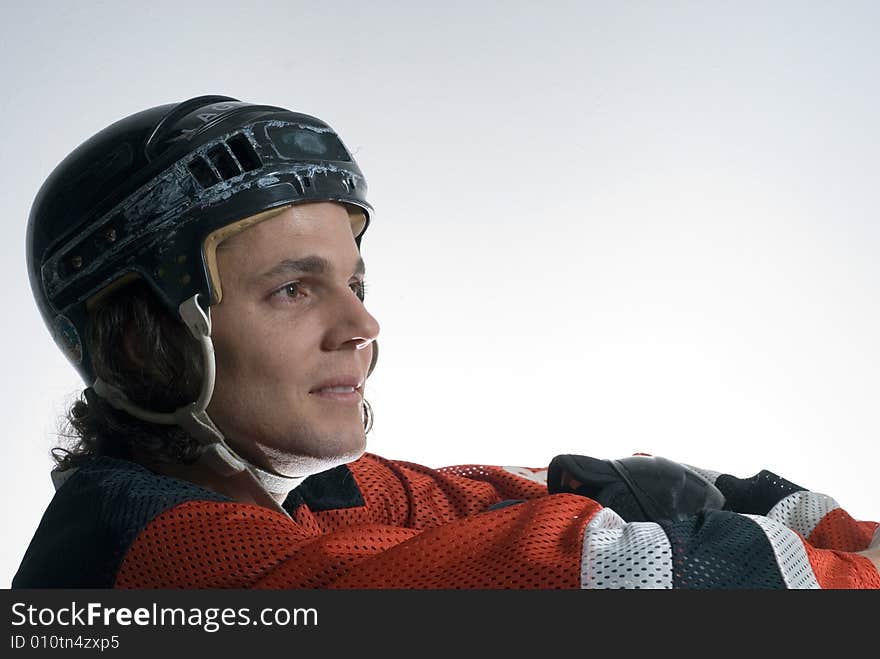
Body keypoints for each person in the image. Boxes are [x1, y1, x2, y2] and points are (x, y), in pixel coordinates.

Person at [14, 95, 879, 589]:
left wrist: (831, 526)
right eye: (292, 288)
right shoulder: (168, 560)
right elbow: (626, 578)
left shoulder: (292, 491)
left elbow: (539, 493)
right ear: (141, 339)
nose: (361, 326)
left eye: (354, 283)